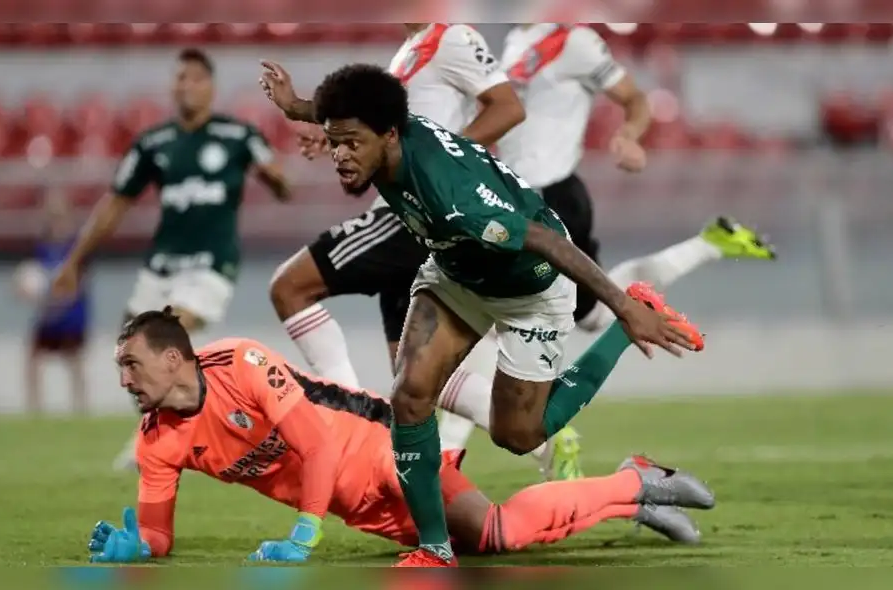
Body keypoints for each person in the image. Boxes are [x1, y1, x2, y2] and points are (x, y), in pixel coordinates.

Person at [258, 62, 703, 567]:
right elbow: (339, 114)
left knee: (519, 436)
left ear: (388, 135)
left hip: (529, 288)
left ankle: (631, 320)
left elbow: (542, 239)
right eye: (334, 141)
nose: (340, 154)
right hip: (455, 275)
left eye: (351, 143)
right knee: (410, 397)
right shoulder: (387, 128)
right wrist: (295, 105)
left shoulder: (453, 199)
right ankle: (434, 548)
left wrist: (622, 307)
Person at [85, 309, 714, 565]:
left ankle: (633, 482)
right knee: (486, 548)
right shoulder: (156, 442)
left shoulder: (242, 364)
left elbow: (319, 445)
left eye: (130, 364)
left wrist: (304, 531)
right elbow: (160, 534)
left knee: (497, 531)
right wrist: (136, 546)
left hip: (385, 450)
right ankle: (636, 489)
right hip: (357, 506)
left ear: (173, 359)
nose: (123, 380)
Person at [435, 23, 778, 475]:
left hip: (551, 201)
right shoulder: (518, 41)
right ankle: (707, 244)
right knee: (591, 315)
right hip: (516, 194)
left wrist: (630, 135)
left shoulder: (574, 41)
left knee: (483, 317)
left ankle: (452, 459)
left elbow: (635, 99)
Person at [264, 24, 587, 481]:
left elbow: (507, 107)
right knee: (414, 377)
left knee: (290, 286)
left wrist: (446, 172)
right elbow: (380, 121)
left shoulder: (450, 37)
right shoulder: (408, 52)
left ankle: (350, 427)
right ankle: (550, 440)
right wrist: (314, 119)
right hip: (413, 212)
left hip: (416, 212)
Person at [49, 48, 292, 470]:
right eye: (180, 78)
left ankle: (215, 429)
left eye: (196, 78)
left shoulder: (239, 136)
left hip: (211, 264)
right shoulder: (153, 143)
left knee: (165, 333)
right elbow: (115, 204)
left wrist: (275, 178)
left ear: (211, 87)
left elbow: (284, 184)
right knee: (130, 352)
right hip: (161, 266)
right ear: (172, 86)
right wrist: (74, 261)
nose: (187, 85)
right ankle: (162, 435)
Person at [15, 192, 90, 414]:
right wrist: (23, 290)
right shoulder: (41, 247)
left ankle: (81, 408)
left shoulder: (76, 247)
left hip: (71, 315)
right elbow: (30, 277)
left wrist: (55, 294)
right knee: (33, 359)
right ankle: (35, 410)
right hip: (48, 315)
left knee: (74, 360)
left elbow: (77, 284)